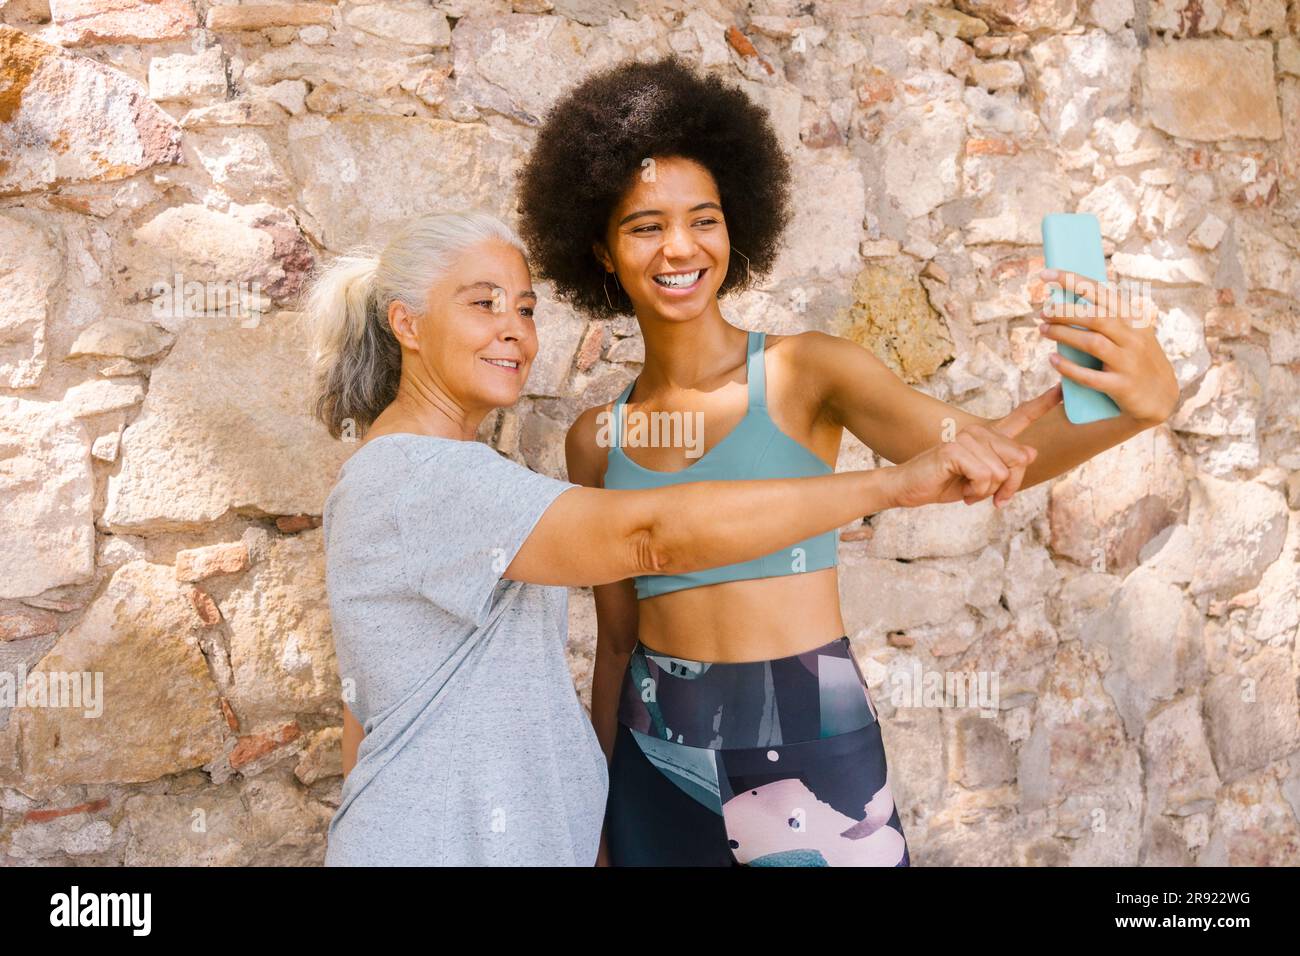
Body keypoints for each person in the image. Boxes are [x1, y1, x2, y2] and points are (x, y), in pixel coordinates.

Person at [514, 55, 1180, 866]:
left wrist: (1139, 410)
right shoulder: (597, 437)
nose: (678, 246)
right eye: (645, 225)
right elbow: (616, 641)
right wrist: (603, 808)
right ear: (603, 252)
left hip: (811, 747)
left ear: (736, 227)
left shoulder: (807, 373)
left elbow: (983, 458)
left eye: (704, 218)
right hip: (658, 757)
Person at [307, 210, 1040, 866]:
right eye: (483, 304)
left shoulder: (433, 473)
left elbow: (362, 711)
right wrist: (888, 485)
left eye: (526, 309)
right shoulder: (427, 478)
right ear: (406, 324)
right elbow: (652, 536)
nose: (514, 329)